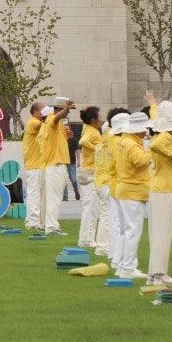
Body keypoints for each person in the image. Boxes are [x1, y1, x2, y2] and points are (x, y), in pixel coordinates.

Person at [146, 101, 172, 286]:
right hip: (165, 188)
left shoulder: (163, 135)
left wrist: (153, 105)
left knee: (158, 232)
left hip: (160, 187)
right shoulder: (166, 136)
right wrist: (171, 154)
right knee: (162, 232)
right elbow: (154, 145)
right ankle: (159, 273)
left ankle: (154, 273)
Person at [114, 111, 151, 279]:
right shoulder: (132, 144)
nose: (146, 131)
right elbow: (140, 161)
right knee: (133, 231)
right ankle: (128, 267)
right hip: (133, 190)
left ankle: (123, 265)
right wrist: (152, 151)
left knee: (126, 230)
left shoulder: (123, 141)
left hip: (124, 188)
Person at [38, 100, 74, 235]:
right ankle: (52, 227)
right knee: (54, 198)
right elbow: (58, 117)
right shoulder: (52, 120)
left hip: (49, 165)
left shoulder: (48, 126)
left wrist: (65, 136)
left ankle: (44, 224)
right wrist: (67, 109)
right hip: (55, 165)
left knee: (48, 199)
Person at [102, 110, 129, 268]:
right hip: (118, 184)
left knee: (115, 222)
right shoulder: (119, 142)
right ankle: (118, 257)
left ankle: (114, 254)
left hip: (111, 182)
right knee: (121, 224)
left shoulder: (109, 138)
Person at [76, 107, 105, 250]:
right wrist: (98, 149)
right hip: (89, 173)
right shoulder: (91, 132)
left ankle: (87, 238)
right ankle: (87, 239)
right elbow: (82, 141)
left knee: (92, 207)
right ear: (93, 120)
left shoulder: (88, 128)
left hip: (90, 171)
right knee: (91, 207)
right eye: (99, 117)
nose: (101, 119)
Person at [20, 104, 47, 231]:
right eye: (43, 110)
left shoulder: (39, 124)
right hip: (33, 165)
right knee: (34, 194)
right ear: (36, 111)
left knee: (39, 195)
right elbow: (38, 125)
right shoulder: (32, 122)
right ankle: (32, 222)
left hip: (39, 165)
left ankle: (37, 221)